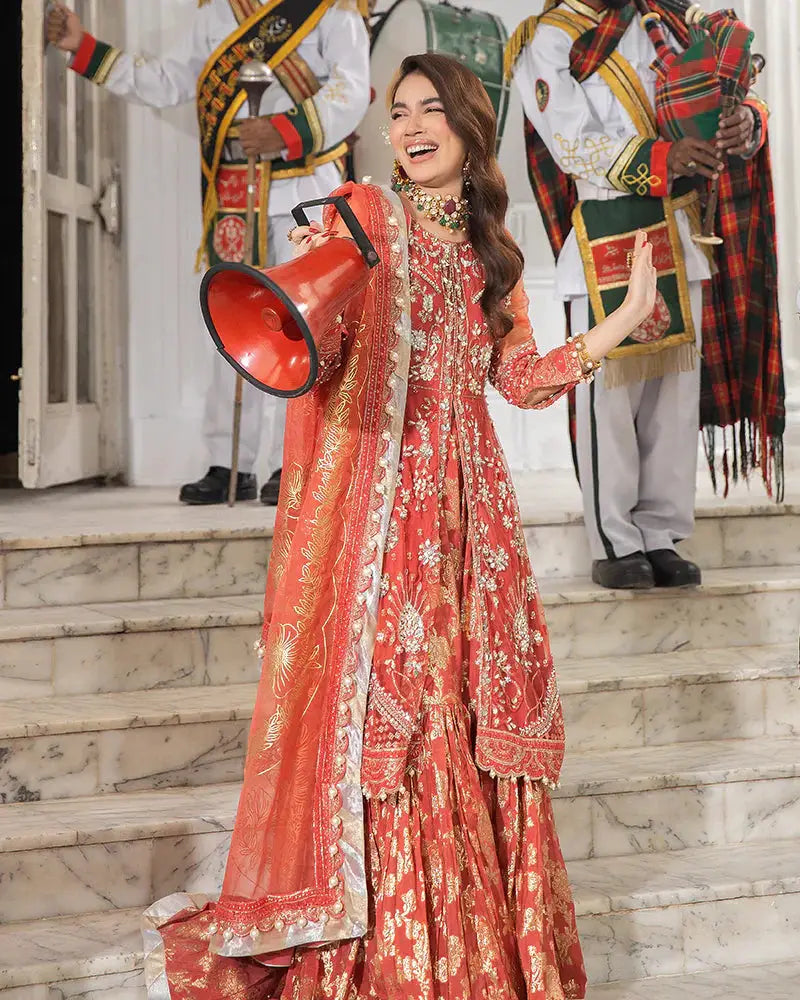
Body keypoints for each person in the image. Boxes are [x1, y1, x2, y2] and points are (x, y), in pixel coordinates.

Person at [141, 53, 657, 1000]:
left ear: (469, 127)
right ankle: (397, 956)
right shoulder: (366, 220)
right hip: (386, 516)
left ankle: (480, 952)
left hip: (474, 522)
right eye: (400, 112)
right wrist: (319, 265)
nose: (411, 127)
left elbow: (516, 380)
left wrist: (622, 320)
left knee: (472, 709)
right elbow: (317, 345)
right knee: (403, 718)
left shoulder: (491, 252)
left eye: (432, 111)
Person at [46, 0, 371, 505]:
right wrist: (83, 48)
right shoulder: (217, 13)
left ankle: (293, 459)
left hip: (304, 185)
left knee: (302, 326)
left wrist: (283, 130)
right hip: (234, 191)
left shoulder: (332, 11)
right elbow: (169, 80)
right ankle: (230, 462)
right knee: (235, 320)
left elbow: (352, 90)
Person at [508, 0, 781, 589]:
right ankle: (614, 540)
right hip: (606, 233)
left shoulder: (674, 22)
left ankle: (661, 534)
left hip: (680, 231)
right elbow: (569, 143)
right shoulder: (552, 38)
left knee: (673, 403)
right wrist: (663, 156)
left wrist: (746, 120)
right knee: (609, 401)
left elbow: (717, 98)